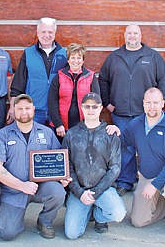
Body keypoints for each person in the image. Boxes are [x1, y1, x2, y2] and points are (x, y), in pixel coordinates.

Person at [99, 24, 165, 196]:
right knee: (126, 148)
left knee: (151, 147)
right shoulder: (114, 57)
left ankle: (155, 181)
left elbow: (163, 80)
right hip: (121, 113)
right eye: (129, 33)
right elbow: (103, 80)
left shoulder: (152, 56)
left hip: (146, 114)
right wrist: (107, 102)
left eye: (135, 33)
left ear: (140, 35)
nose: (132, 36)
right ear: (124, 35)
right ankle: (125, 181)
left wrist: (159, 102)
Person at [0, 94, 68, 240]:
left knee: (58, 192)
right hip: (13, 191)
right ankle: (8, 217)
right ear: (13, 110)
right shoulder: (3, 135)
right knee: (7, 233)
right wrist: (21, 185)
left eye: (27, 108)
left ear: (33, 109)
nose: (24, 112)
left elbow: (59, 161)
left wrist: (63, 177)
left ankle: (44, 221)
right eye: (20, 109)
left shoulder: (46, 132)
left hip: (39, 187)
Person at [122, 88, 165, 235]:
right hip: (147, 175)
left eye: (156, 103)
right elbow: (122, 141)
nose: (152, 107)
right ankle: (163, 204)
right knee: (138, 221)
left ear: (162, 104)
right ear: (143, 104)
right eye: (148, 103)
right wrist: (113, 131)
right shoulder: (135, 124)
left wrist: (154, 185)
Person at [62, 92, 126, 239]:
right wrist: (79, 192)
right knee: (72, 234)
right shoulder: (71, 134)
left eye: (94, 107)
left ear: (100, 108)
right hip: (80, 191)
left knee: (118, 213)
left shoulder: (110, 134)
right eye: (87, 106)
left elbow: (115, 168)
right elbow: (68, 167)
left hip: (103, 189)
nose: (91, 110)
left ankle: (99, 216)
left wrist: (96, 192)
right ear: (82, 108)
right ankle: (86, 211)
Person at [9, 17, 67, 125]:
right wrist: (12, 107)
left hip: (57, 112)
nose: (46, 35)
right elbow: (17, 85)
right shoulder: (28, 54)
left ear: (55, 33)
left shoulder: (64, 54)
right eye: (43, 32)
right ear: (38, 33)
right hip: (33, 111)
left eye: (50, 32)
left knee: (55, 142)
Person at [48, 43, 100, 140]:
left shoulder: (90, 77)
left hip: (84, 126)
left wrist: (90, 125)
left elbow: (96, 103)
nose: (76, 61)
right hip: (62, 127)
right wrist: (58, 124)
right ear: (68, 59)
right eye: (73, 57)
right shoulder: (59, 76)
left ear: (83, 60)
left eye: (79, 58)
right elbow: (52, 102)